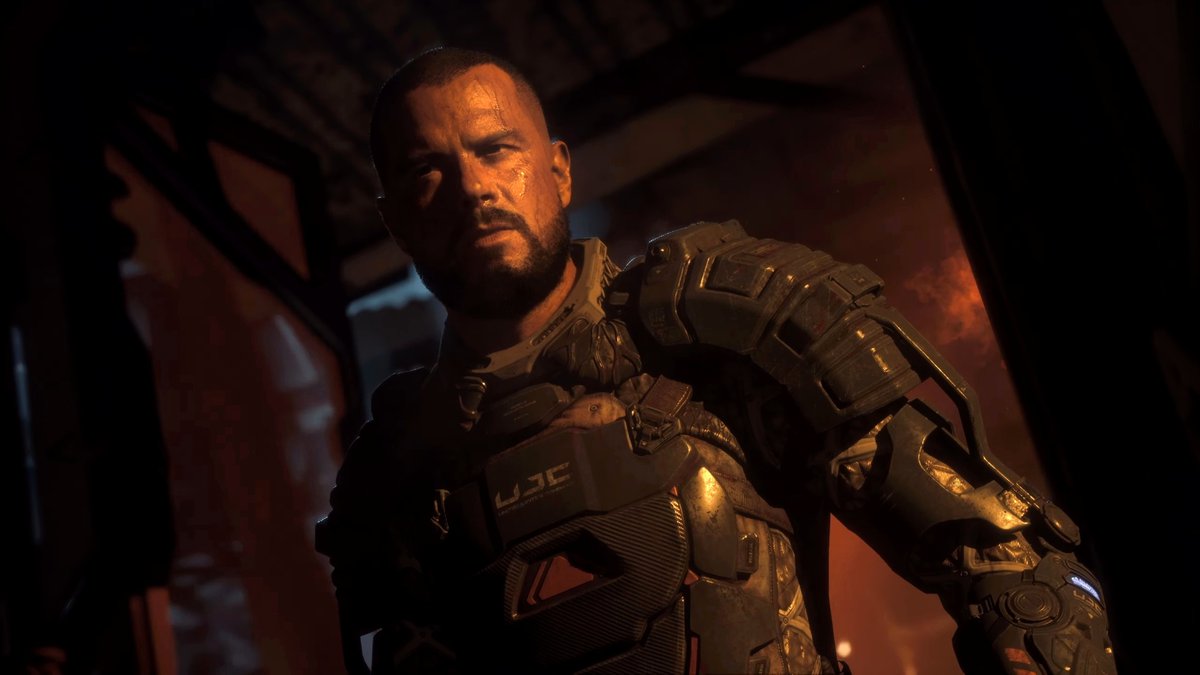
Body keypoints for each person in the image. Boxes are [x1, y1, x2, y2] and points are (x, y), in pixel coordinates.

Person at [316, 47, 1117, 675]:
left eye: (496, 149)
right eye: (427, 171)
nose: (474, 189)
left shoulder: (722, 333)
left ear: (557, 170)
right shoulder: (401, 477)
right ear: (394, 220)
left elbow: (1018, 573)